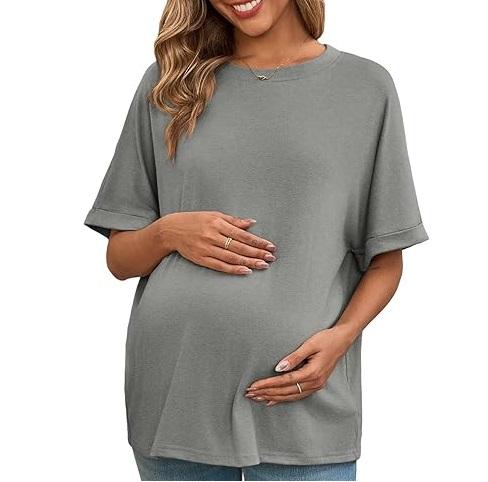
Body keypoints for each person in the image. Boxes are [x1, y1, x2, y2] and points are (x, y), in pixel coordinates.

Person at [83, 0, 429, 480]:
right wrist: (169, 231)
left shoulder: (365, 87)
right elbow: (120, 260)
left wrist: (341, 339)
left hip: (302, 397)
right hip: (176, 390)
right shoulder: (171, 83)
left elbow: (386, 257)